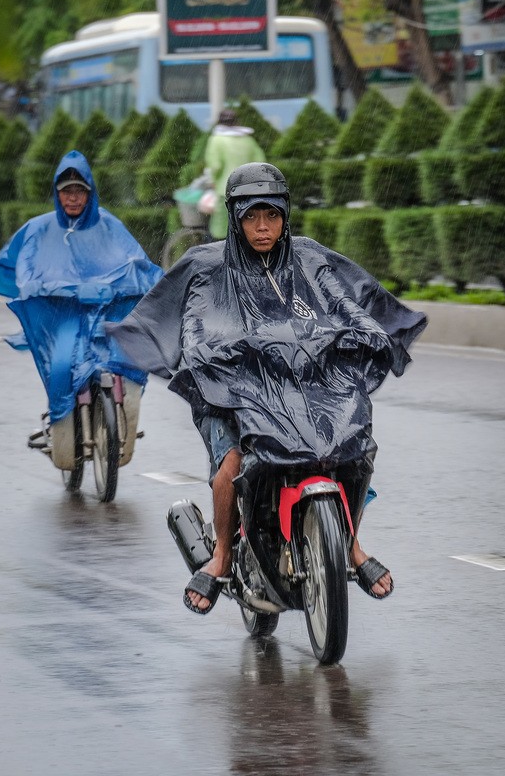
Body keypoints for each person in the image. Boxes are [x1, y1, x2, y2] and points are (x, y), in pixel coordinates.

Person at [108, 162, 427, 614]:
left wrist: (368, 330)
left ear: (286, 216)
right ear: (235, 217)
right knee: (233, 462)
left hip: (306, 385)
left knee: (356, 445)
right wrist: (204, 350)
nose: (263, 228)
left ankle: (350, 543)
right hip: (232, 387)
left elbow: (346, 301)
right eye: (251, 217)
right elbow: (192, 320)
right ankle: (220, 556)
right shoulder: (204, 264)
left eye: (272, 216)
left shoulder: (311, 256)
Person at [0, 149, 163, 427]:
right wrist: (59, 290)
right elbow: (26, 272)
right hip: (62, 319)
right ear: (56, 193)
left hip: (106, 316)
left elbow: (134, 261)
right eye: (66, 190)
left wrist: (132, 282)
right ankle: (60, 426)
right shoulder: (39, 229)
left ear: (90, 192)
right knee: (60, 368)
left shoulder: (108, 225)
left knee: (129, 362)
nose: (72, 198)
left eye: (79, 191)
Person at [204, 109, 265, 240]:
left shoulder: (216, 140)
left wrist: (212, 181)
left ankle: (218, 255)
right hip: (249, 191)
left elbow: (215, 166)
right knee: (244, 227)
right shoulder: (248, 140)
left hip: (225, 190)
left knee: (220, 231)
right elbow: (261, 163)